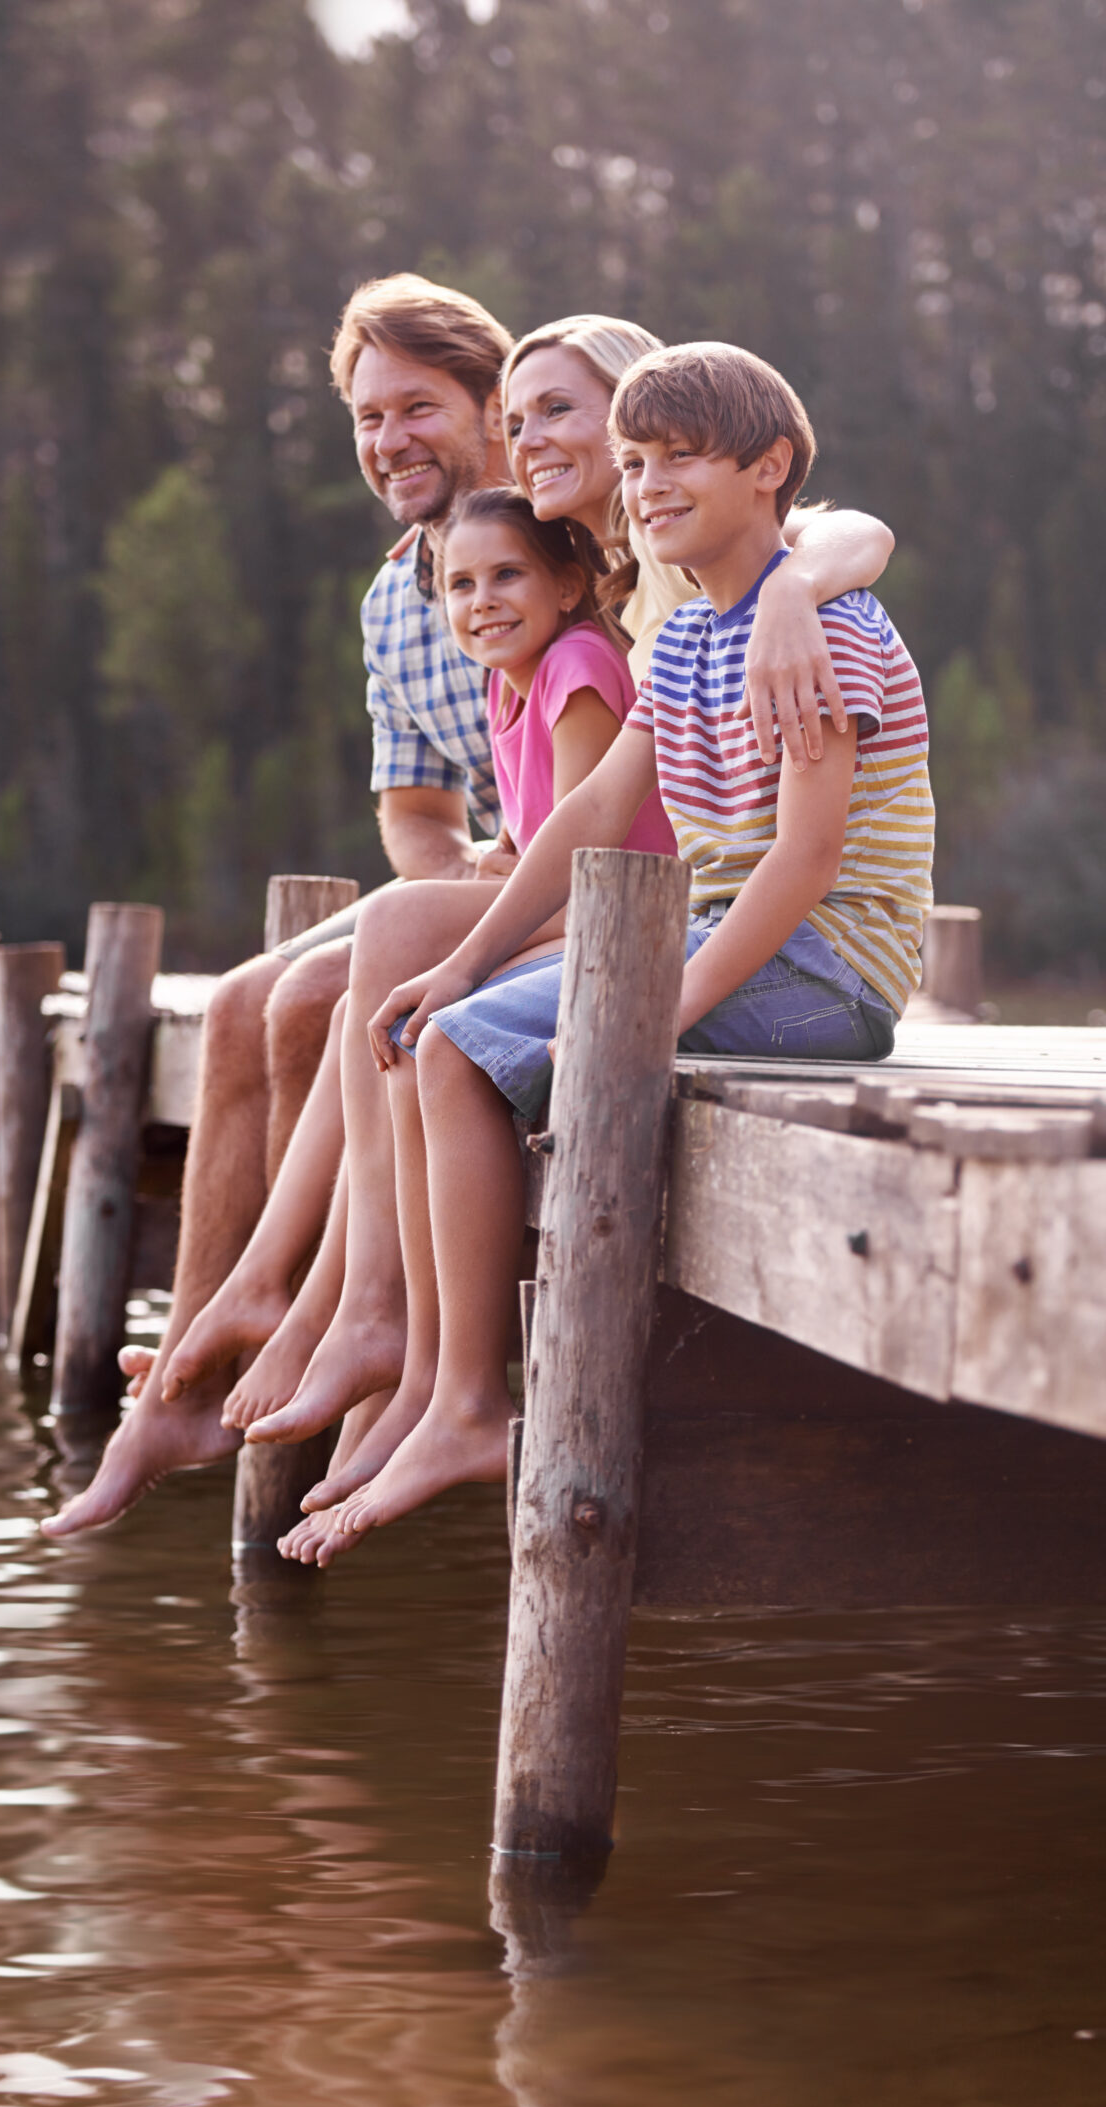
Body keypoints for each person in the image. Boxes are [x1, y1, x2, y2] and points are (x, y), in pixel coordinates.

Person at [218, 315, 895, 1541]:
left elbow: (804, 865)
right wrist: (462, 963)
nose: (646, 487)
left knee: (468, 1055)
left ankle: (471, 1401)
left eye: (677, 458)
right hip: (711, 947)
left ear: (771, 470)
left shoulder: (825, 631)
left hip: (824, 974)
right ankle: (450, 1392)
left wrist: (653, 1019)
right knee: (444, 1035)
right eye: (634, 465)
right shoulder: (686, 634)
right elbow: (591, 806)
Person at [39, 273, 513, 1540]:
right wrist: (450, 876)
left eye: (418, 408)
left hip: (584, 887)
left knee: (315, 995)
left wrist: (481, 888)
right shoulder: (392, 602)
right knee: (247, 995)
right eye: (366, 418)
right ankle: (210, 1331)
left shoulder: (566, 546)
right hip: (476, 880)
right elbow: (413, 811)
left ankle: (342, 1322)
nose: (388, 441)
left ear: (493, 407)